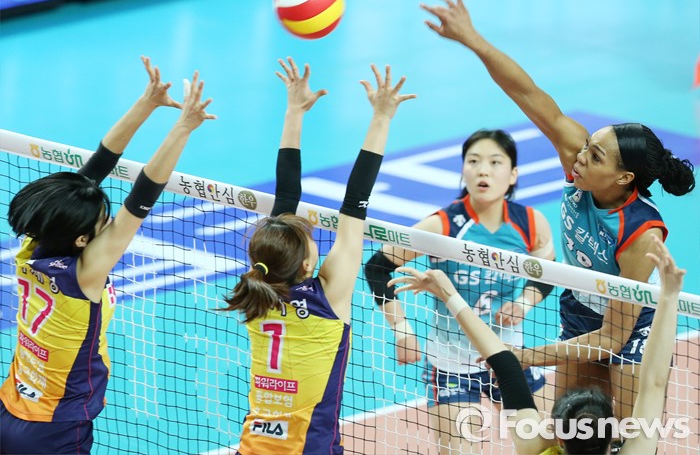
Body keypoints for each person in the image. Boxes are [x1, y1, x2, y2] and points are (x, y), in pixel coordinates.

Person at [420, 0, 695, 431]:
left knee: (628, 436)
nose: (580, 157)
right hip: (582, 305)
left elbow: (612, 337)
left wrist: (523, 357)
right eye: (588, 146)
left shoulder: (641, 234)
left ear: (624, 178)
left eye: (596, 156)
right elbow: (526, 92)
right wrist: (472, 39)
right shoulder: (577, 158)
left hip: (632, 325)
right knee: (571, 429)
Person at [0, 57, 215, 454]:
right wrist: (184, 126)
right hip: (54, 427)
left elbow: (96, 167)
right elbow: (142, 197)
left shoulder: (37, 242)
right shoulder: (84, 275)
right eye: (104, 220)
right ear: (83, 239)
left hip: (11, 403)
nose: (111, 221)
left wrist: (147, 103)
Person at [220, 57, 415, 455]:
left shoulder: (257, 294)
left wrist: (293, 112)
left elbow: (287, 198)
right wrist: (381, 118)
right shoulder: (328, 296)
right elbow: (354, 203)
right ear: (307, 264)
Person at [388, 233, 685, 455]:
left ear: (559, 436)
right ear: (614, 432)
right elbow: (655, 382)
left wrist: (449, 294)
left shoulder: (537, 448)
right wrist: (669, 295)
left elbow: (504, 363)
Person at [364, 128, 556, 454]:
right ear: (463, 169)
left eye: (495, 162)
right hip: (451, 363)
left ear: (513, 174)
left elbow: (547, 272)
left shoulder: (531, 223)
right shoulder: (442, 225)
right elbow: (377, 268)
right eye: (474, 161)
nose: (483, 171)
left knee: (545, 448)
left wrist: (524, 302)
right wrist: (402, 330)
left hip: (511, 358)